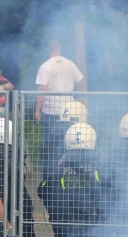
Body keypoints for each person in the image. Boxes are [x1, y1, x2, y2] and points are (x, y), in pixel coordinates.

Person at [34, 39, 86, 175]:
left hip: (50, 112)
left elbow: (42, 90)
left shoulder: (45, 66)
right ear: (59, 48)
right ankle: (69, 174)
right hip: (70, 113)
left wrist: (37, 110)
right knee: (68, 144)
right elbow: (81, 84)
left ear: (48, 49)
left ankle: (50, 177)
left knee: (50, 147)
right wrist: (80, 101)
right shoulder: (70, 64)